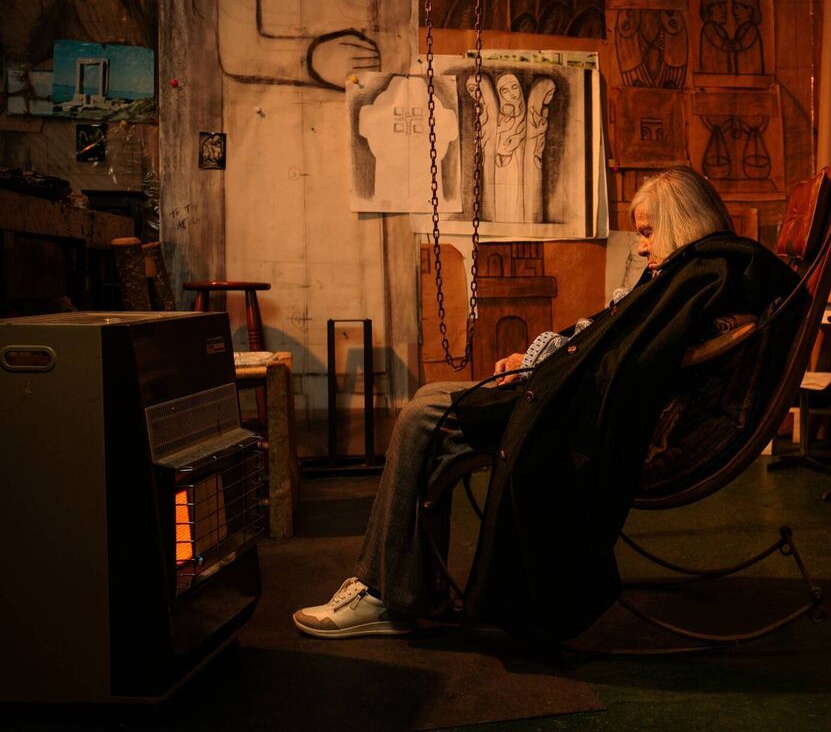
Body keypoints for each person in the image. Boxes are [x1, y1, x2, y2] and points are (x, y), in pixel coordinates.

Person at [293, 166, 799, 641]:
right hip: (574, 396)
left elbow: (626, 365)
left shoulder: (699, 276)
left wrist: (542, 369)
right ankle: (399, 591)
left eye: (648, 232)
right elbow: (614, 344)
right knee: (431, 406)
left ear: (680, 223)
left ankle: (386, 595)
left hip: (587, 417)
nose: (642, 246)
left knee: (426, 413)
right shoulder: (692, 276)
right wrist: (541, 359)